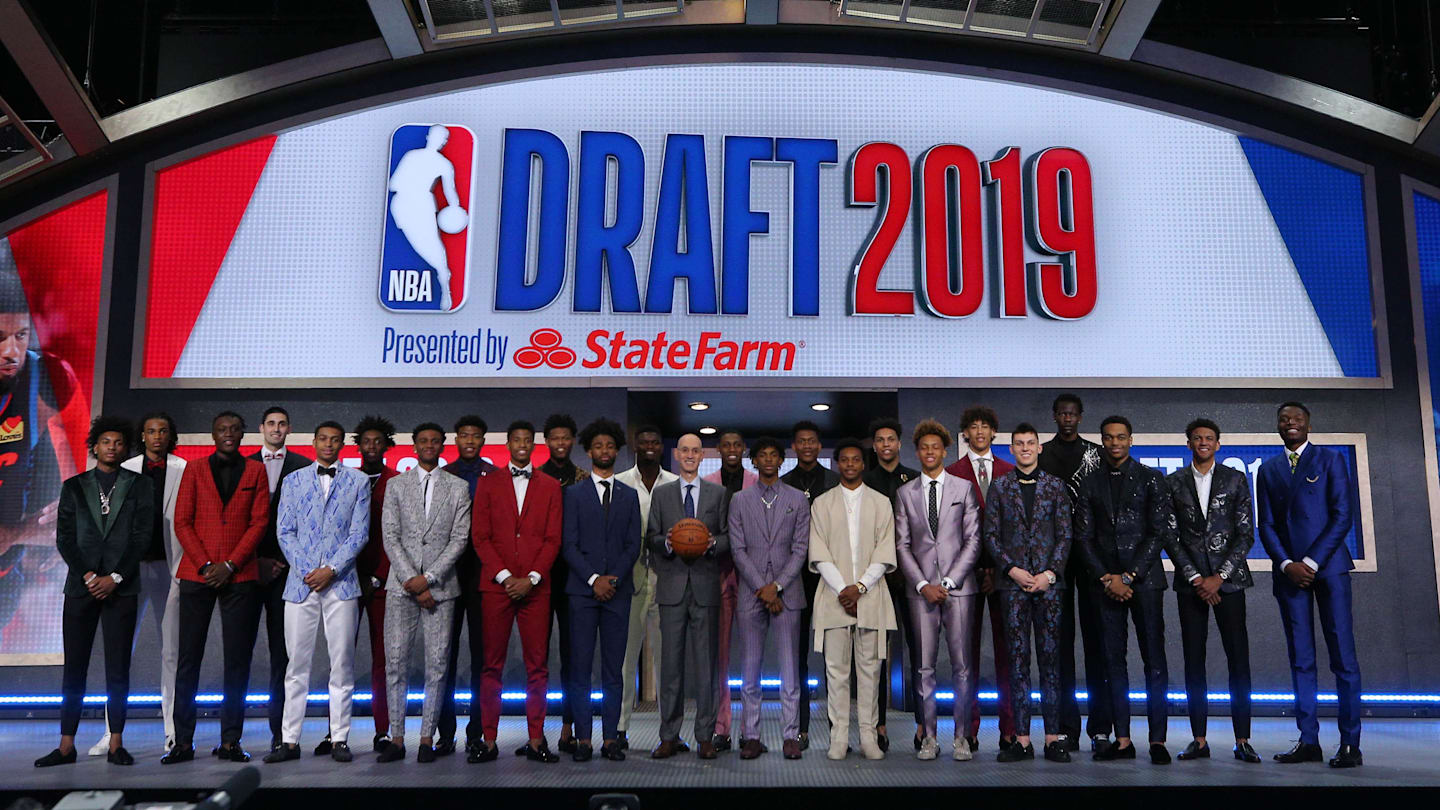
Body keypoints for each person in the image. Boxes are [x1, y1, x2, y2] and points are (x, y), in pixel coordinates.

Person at [36, 417, 153, 768]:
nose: (112, 447)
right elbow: (64, 539)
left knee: (118, 668)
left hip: (122, 586)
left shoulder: (140, 485)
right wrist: (88, 574)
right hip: (81, 587)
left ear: (125, 447)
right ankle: (66, 745)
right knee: (75, 668)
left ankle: (117, 743)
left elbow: (141, 537)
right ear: (94, 446)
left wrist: (115, 576)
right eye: (106, 442)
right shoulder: (73, 487)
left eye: (118, 442)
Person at [1257, 402, 1362, 768]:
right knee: (1301, 661)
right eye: (1284, 420)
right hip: (1290, 577)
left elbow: (1342, 515)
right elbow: (1266, 525)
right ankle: (1308, 741)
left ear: (1308, 424)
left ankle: (1350, 744)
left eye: (1296, 419)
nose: (1290, 424)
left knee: (1343, 659)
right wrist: (1287, 564)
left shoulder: (1332, 460)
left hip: (1328, 569)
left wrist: (1311, 562)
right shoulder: (1268, 469)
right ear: (1277, 426)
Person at [263, 421, 371, 764]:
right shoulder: (293, 481)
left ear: (342, 444)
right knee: (296, 666)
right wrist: (310, 571)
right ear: (313, 442)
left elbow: (359, 533)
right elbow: (284, 531)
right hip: (300, 584)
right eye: (322, 438)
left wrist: (332, 570)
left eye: (334, 439)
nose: (328, 444)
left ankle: (339, 737)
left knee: (342, 665)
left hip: (341, 584)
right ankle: (289, 741)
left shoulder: (358, 481)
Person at [165, 411, 269, 764]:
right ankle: (182, 742)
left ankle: (230, 742)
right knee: (188, 660)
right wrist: (208, 565)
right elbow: (182, 521)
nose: (228, 434)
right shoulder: (194, 470)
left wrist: (231, 564)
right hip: (198, 574)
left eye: (234, 429)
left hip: (239, 576)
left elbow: (259, 523)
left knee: (237, 662)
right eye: (222, 429)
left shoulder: (256, 471)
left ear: (242, 434)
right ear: (213, 434)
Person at [1074, 415, 1172, 765]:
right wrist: (1107, 578)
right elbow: (1083, 537)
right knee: (1112, 663)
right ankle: (1123, 740)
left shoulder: (1152, 479)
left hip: (1144, 582)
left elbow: (1158, 532)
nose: (1115, 443)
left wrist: (1129, 576)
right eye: (1109, 438)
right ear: (1102, 442)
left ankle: (1158, 741)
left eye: (1121, 437)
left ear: (1131, 440)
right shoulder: (1089, 482)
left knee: (1154, 662)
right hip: (1105, 585)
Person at [1164, 418, 1259, 764]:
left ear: (1218, 444)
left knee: (1239, 661)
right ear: (1188, 443)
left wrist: (1218, 577)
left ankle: (1243, 740)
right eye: (1197, 438)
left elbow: (1246, 534)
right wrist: (1196, 578)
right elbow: (1169, 537)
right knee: (1193, 661)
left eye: (1209, 438)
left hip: (1229, 583)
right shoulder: (1172, 482)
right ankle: (1199, 739)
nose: (1203, 442)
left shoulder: (1236, 479)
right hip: (1191, 587)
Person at [378, 422, 471, 763]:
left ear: (442, 446)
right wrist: (412, 580)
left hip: (441, 589)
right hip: (401, 588)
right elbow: (391, 535)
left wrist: (429, 578)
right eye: (423, 441)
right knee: (396, 663)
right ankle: (397, 736)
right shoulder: (396, 485)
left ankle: (426, 739)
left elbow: (459, 539)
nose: (429, 445)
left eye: (435, 440)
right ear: (414, 446)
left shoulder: (458, 487)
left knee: (437, 665)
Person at [0, 263, 82, 649]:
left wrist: (65, 515)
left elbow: (80, 462)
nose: (10, 351)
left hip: (8, 575)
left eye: (20, 335)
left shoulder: (47, 378)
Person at [471, 420, 563, 764]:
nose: (522, 445)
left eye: (528, 440)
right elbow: (480, 536)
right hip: (497, 587)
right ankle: (489, 740)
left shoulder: (551, 486)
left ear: (534, 445)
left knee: (537, 666)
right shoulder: (488, 483)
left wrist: (533, 578)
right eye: (517, 440)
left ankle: (537, 740)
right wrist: (507, 576)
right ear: (508, 444)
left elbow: (553, 538)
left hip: (536, 589)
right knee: (490, 666)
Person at [893, 419, 982, 761]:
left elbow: (974, 540)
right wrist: (922, 584)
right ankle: (929, 737)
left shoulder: (963, 488)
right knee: (923, 668)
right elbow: (902, 546)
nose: (930, 452)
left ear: (945, 451)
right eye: (924, 448)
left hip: (958, 590)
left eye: (936, 447)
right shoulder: (905, 493)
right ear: (917, 453)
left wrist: (947, 582)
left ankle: (962, 737)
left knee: (962, 668)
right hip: (920, 592)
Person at [984, 423, 1072, 764]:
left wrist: (1049, 574)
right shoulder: (1001, 487)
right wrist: (1012, 569)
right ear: (1011, 449)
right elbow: (990, 535)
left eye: (1030, 443)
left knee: (1051, 663)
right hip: (1013, 586)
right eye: (1018, 443)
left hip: (1049, 587)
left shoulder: (1055, 486)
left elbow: (1065, 536)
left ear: (1038, 448)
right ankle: (1021, 739)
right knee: (1017, 662)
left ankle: (1052, 738)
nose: (1024, 448)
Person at [809, 439, 896, 761]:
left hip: (871, 596)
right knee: (836, 671)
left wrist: (859, 587)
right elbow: (818, 552)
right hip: (833, 596)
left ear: (863, 464)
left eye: (855, 460)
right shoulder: (821, 503)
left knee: (871, 672)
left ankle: (869, 737)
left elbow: (886, 550)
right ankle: (838, 736)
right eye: (843, 459)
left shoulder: (881, 502)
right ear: (838, 464)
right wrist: (844, 589)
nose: (849, 464)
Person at [104, 412, 185, 755]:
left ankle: (173, 731)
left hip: (171, 566)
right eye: (150, 431)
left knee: (172, 652)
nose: (156, 436)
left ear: (170, 436)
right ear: (143, 435)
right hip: (129, 571)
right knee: (120, 652)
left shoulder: (184, 469)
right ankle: (111, 734)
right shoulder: (126, 469)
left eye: (163, 431)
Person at [561, 418, 641, 763]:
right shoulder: (574, 494)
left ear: (617, 450)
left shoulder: (629, 495)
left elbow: (632, 545)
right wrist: (594, 579)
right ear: (589, 451)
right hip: (582, 593)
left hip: (618, 593)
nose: (604, 451)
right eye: (598, 446)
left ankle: (610, 739)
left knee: (614, 670)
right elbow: (569, 544)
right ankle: (583, 740)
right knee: (579, 669)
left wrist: (612, 580)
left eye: (610, 446)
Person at [646, 433, 731, 759]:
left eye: (696, 450)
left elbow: (727, 538)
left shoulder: (718, 493)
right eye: (685, 450)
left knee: (706, 668)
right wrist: (668, 542)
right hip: (671, 588)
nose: (691, 455)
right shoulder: (662, 494)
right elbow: (651, 536)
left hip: (707, 588)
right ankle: (669, 735)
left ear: (702, 454)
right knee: (670, 668)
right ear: (677, 455)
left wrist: (711, 543)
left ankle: (705, 736)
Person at [1037, 393, 1111, 753]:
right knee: (1060, 646)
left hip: (1091, 555)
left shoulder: (1096, 454)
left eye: (1073, 413)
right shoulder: (1043, 454)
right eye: (1061, 413)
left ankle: (1100, 728)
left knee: (1097, 643)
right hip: (1056, 559)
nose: (1067, 418)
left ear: (1081, 417)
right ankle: (1067, 727)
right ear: (1054, 417)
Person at [730, 436, 811, 760]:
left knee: (790, 671)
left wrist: (776, 586)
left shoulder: (798, 499)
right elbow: (737, 549)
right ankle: (751, 735)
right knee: (750, 670)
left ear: (781, 460)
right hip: (751, 595)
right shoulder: (739, 500)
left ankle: (790, 735)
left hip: (787, 594)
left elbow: (801, 549)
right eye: (761, 455)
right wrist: (762, 587)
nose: (767, 459)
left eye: (773, 455)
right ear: (754, 461)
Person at [945, 406, 1017, 753]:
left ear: (993, 433)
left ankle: (1010, 729)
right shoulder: (951, 473)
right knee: (965, 656)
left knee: (1009, 654)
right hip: (966, 575)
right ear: (965, 434)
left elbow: (1015, 529)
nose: (979, 432)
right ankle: (967, 729)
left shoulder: (1009, 471)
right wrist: (974, 568)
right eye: (972, 427)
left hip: (1004, 576)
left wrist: (996, 569)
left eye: (985, 427)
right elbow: (950, 531)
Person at [248, 406, 309, 753]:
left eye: (282, 423)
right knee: (238, 654)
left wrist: (284, 561)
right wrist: (254, 561)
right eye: (270, 422)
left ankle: (281, 735)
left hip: (286, 572)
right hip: (245, 569)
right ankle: (231, 738)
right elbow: (236, 521)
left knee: (283, 656)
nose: (276, 428)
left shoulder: (302, 466)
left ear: (288, 428)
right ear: (262, 428)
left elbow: (307, 522)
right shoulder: (244, 462)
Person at [614, 425, 678, 750]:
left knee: (667, 660)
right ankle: (620, 729)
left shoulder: (675, 485)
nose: (650, 446)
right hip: (631, 579)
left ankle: (670, 731)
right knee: (626, 659)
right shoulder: (621, 483)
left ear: (661, 448)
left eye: (655, 441)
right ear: (635, 446)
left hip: (667, 580)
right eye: (644, 442)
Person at [779, 419, 838, 750]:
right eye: (801, 441)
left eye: (812, 441)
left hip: (829, 579)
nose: (806, 446)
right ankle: (799, 728)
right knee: (796, 657)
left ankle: (836, 726)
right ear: (794, 447)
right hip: (795, 579)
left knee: (834, 656)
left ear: (819, 445)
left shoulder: (834, 481)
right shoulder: (784, 483)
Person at [437, 413, 493, 756]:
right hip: (447, 573)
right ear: (455, 440)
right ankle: (445, 732)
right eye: (464, 435)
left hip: (483, 576)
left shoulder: (496, 477)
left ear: (483, 441)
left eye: (475, 435)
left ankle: (477, 730)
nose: (470, 440)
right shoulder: (444, 476)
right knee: (444, 655)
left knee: (481, 659)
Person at [861, 416, 918, 752]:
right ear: (875, 445)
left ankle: (922, 726)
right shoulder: (864, 481)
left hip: (911, 575)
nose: (885, 445)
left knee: (918, 649)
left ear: (899, 443)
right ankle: (878, 726)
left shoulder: (913, 478)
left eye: (890, 439)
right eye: (879, 440)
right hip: (875, 577)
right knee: (875, 655)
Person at [702, 428, 755, 751]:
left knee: (752, 657)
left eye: (737, 444)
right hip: (717, 576)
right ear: (718, 449)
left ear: (743, 449)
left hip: (750, 579)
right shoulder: (707, 484)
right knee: (719, 657)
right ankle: (721, 727)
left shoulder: (756, 482)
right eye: (726, 445)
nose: (732, 449)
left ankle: (751, 729)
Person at [539, 413, 589, 754]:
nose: (560, 443)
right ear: (547, 441)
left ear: (572, 441)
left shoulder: (583, 479)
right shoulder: (537, 478)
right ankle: (535, 731)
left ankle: (568, 727)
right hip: (540, 577)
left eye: (565, 437)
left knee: (573, 657)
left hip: (574, 578)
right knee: (537, 658)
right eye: (554, 438)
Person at [353, 415, 401, 753]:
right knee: (340, 659)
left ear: (386, 445)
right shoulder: (345, 479)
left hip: (382, 583)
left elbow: (398, 536)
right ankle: (334, 732)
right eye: (366, 441)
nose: (371, 446)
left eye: (377, 441)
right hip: (344, 580)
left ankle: (382, 730)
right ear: (358, 444)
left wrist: (378, 575)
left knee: (383, 661)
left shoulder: (397, 482)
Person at [388, 123, 465, 310]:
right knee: (421, 244)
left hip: (423, 205)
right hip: (404, 205)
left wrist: (456, 211)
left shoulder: (444, 164)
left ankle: (444, 284)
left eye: (444, 139)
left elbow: (450, 191)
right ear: (429, 136)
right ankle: (442, 274)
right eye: (438, 137)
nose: (441, 142)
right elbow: (393, 184)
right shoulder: (411, 156)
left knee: (433, 245)